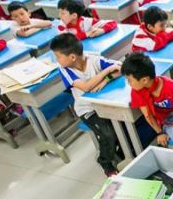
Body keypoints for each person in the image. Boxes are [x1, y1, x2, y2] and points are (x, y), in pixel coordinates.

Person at [50, 33, 121, 176]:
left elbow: (120, 68)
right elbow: (86, 87)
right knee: (108, 134)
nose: (57, 60)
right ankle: (105, 162)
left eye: (58, 57)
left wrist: (105, 80)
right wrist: (106, 71)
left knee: (121, 127)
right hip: (87, 110)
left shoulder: (93, 59)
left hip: (105, 104)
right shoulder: (65, 70)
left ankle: (120, 152)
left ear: (72, 57)